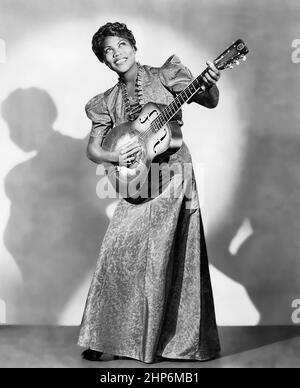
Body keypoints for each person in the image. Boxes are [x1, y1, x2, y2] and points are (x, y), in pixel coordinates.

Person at [78, 22, 221, 363]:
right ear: (104, 61)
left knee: (161, 257)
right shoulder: (105, 102)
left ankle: (168, 343)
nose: (117, 54)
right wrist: (117, 155)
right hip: (137, 180)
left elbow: (209, 100)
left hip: (174, 175)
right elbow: (94, 149)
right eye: (108, 52)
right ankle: (104, 336)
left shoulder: (166, 74)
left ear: (133, 45)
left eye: (121, 45)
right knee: (116, 250)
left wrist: (211, 83)